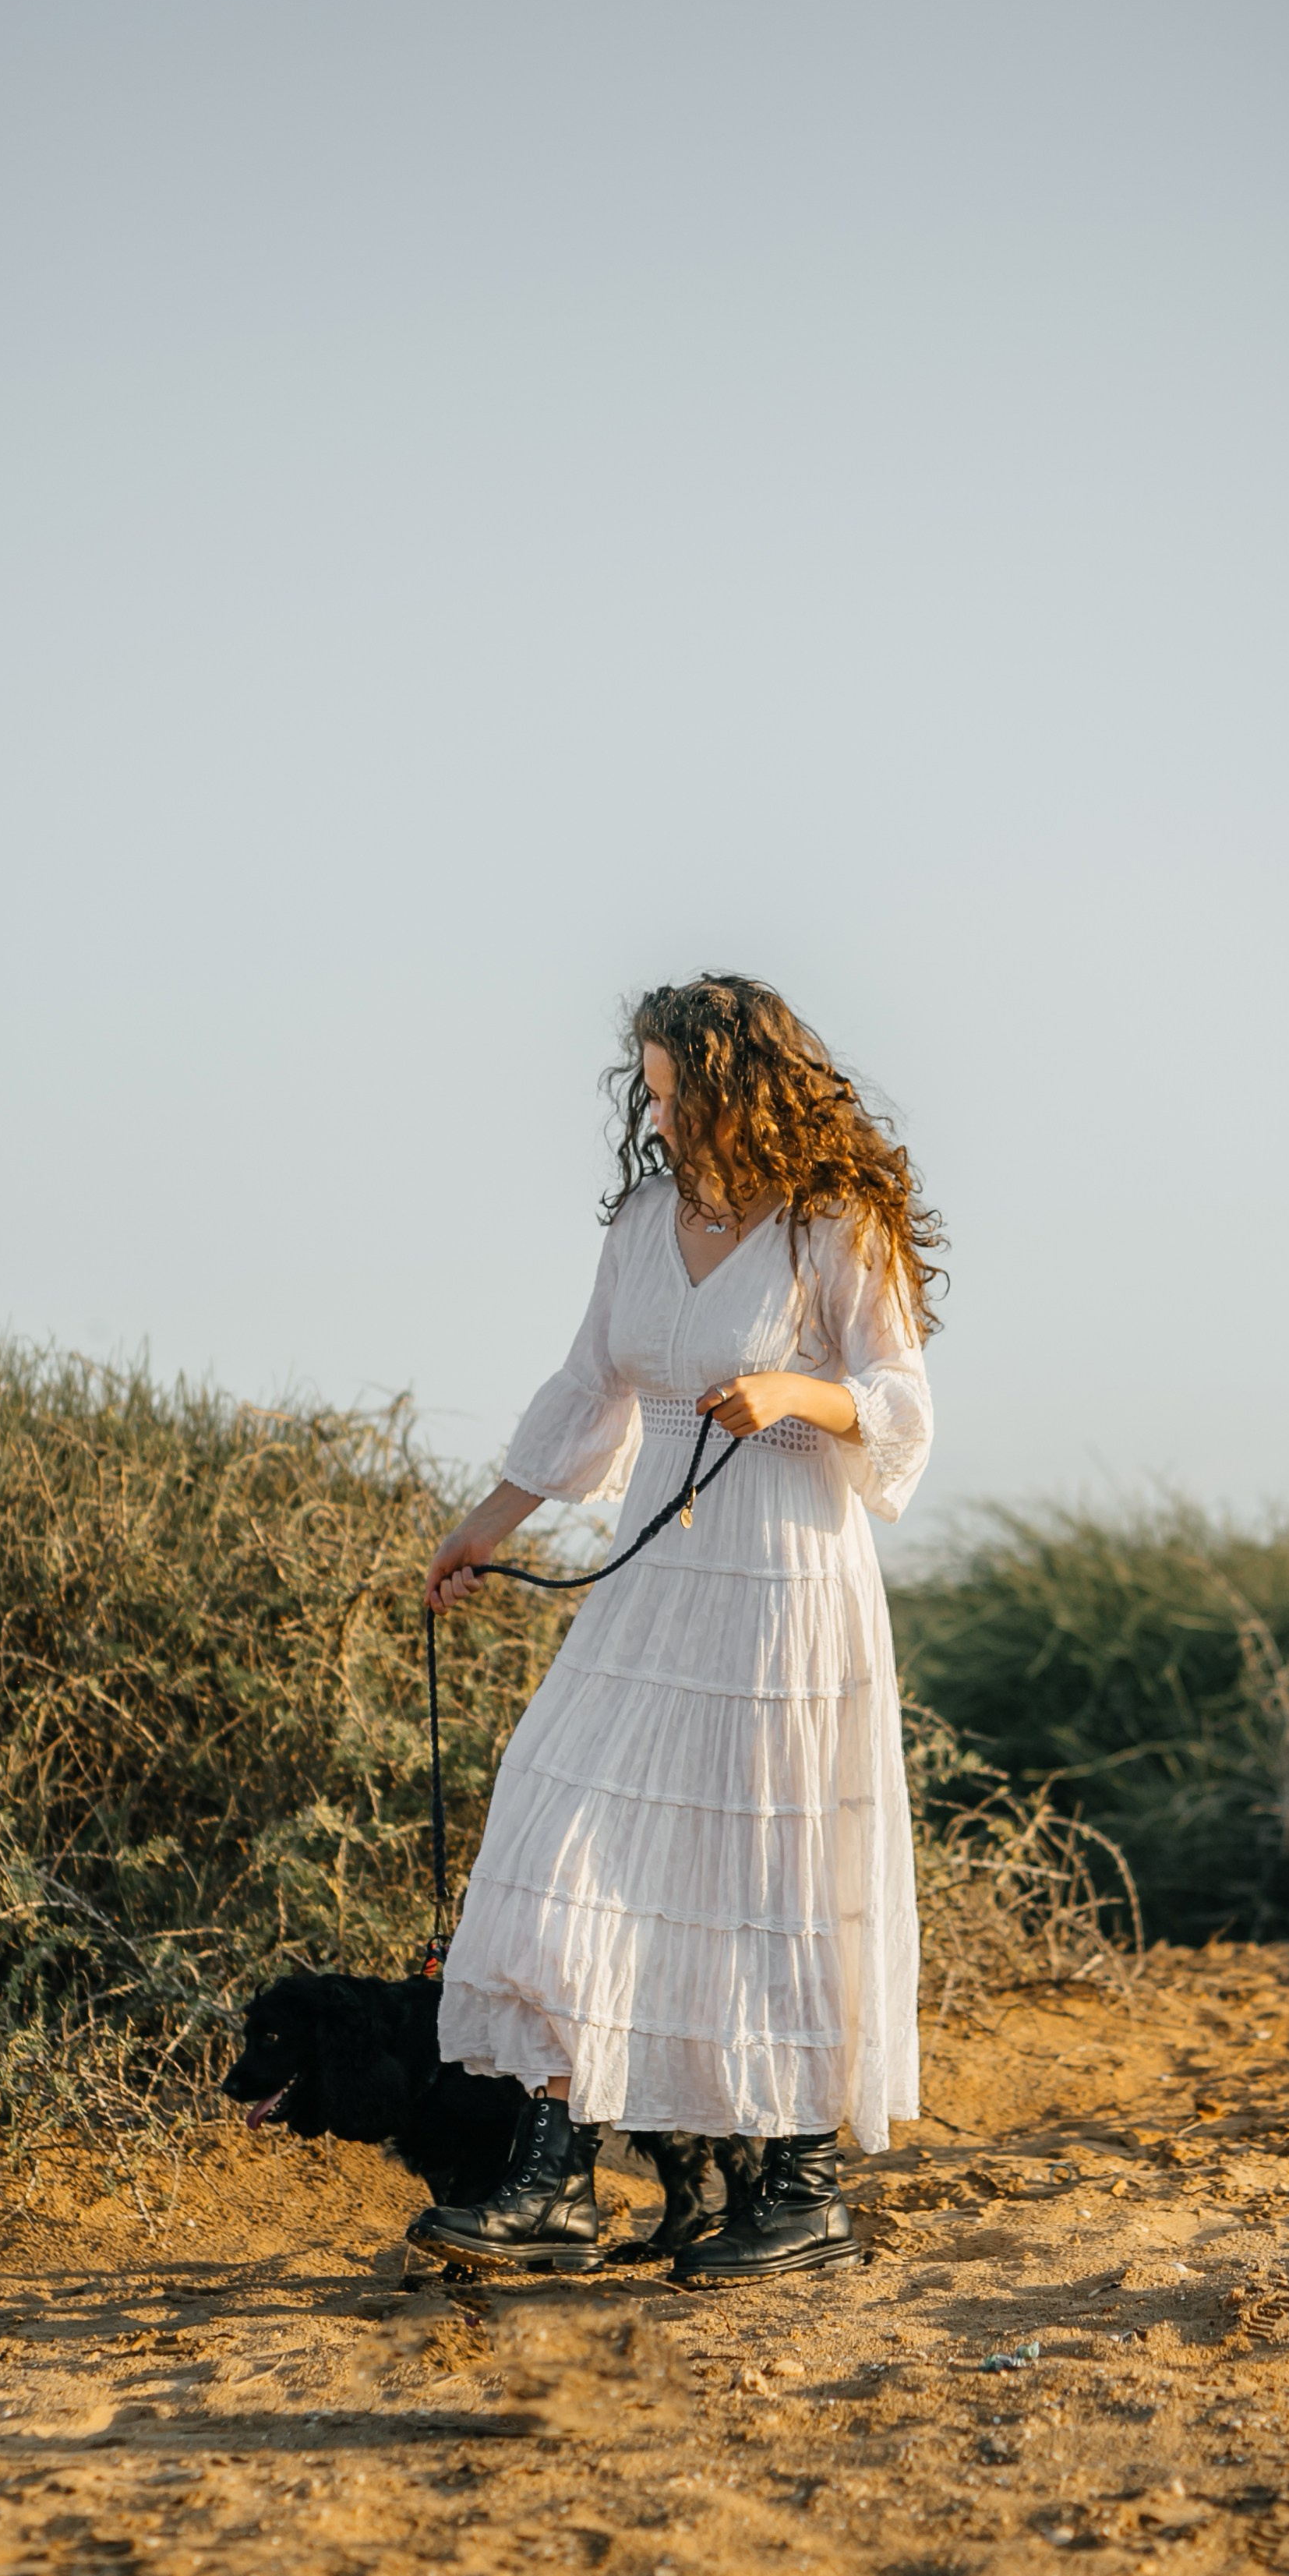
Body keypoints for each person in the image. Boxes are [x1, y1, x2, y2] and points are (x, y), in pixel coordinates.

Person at [411, 973, 942, 2284]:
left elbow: (897, 1398)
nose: (655, 1117)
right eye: (646, 1090)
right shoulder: (646, 1218)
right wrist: (489, 1525)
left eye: (675, 1090)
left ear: (742, 1089)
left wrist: (795, 1394)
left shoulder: (834, 1221)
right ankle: (553, 2182)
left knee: (776, 1875)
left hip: (785, 1577)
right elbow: (589, 1383)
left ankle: (800, 2188)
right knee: (561, 1828)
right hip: (651, 1578)